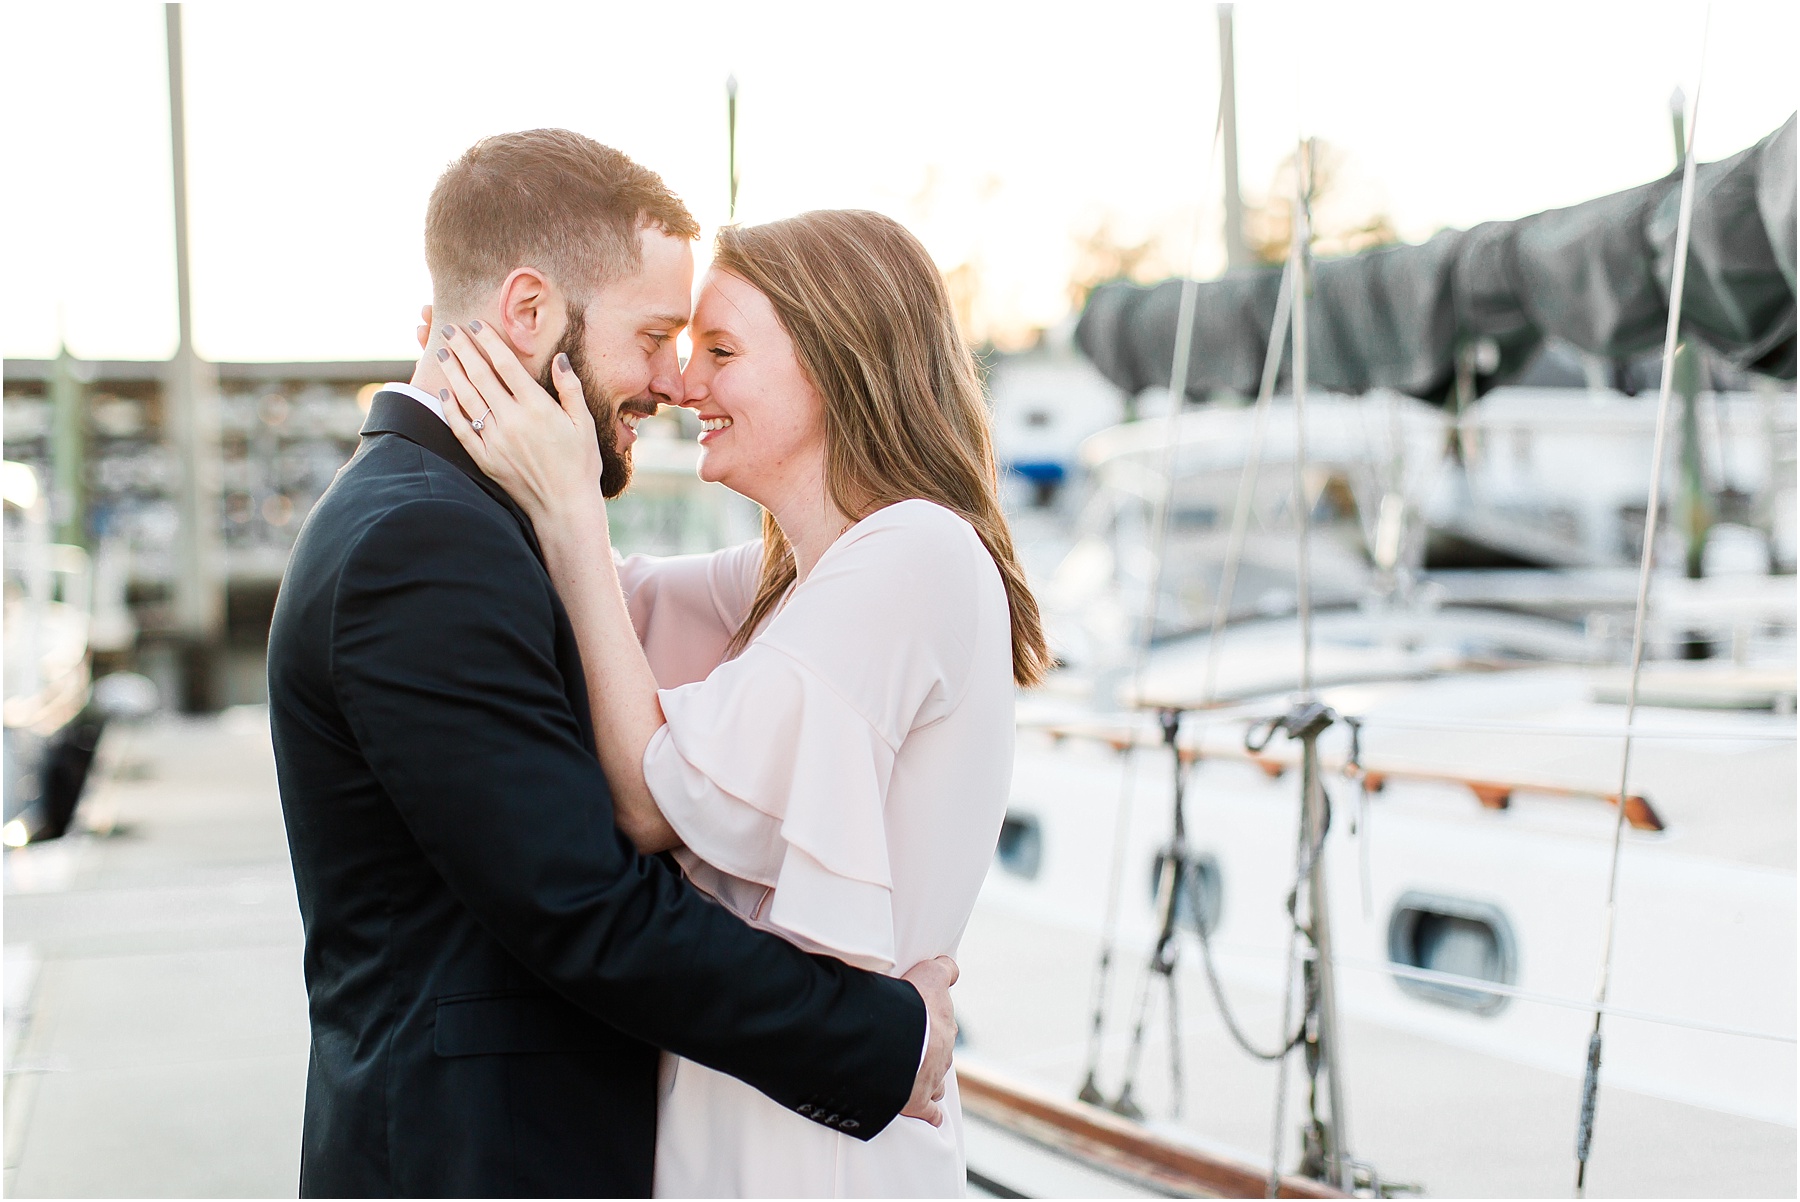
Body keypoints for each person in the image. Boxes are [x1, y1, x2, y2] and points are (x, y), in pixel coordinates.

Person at [266, 130, 957, 1198]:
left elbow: (766, 591)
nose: (666, 380)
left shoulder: (460, 519)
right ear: (530, 312)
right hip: (483, 1162)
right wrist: (877, 1037)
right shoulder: (423, 542)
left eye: (705, 347)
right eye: (652, 335)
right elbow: (583, 903)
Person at [434, 208, 1051, 1196]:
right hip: (764, 1129)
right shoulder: (799, 580)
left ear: (836, 361)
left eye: (720, 350)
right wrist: (474, 391)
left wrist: (572, 506)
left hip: (823, 1156)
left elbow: (651, 792)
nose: (681, 384)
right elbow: (582, 605)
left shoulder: (915, 556)